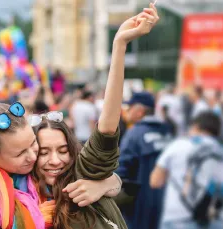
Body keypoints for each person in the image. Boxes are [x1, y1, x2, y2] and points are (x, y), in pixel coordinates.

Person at [0, 15, 127, 229]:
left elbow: (101, 153)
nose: (32, 156)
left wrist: (108, 183)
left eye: (33, 145)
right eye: (20, 153)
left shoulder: (43, 181)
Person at [27, 5, 160, 228]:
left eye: (62, 150)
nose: (55, 160)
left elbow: (106, 128)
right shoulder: (17, 198)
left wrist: (119, 45)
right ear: (30, 156)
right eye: (44, 152)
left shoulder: (82, 175)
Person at [150, 112, 223, 229]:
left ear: (195, 127)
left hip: (177, 220)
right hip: (214, 222)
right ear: (217, 132)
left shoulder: (177, 146)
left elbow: (155, 181)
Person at [116, 91, 173, 229]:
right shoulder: (167, 131)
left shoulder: (134, 134)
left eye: (130, 108)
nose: (127, 111)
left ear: (140, 111)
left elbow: (122, 172)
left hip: (140, 207)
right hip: (166, 202)